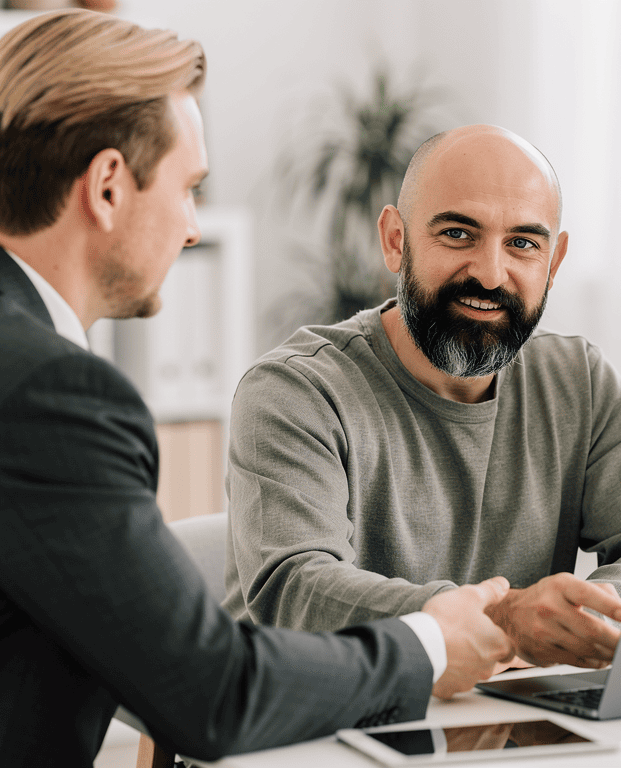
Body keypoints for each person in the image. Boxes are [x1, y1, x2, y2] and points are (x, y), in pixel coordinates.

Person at [0, 11, 514, 767]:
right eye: (189, 189)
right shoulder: (53, 396)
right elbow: (212, 694)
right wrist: (430, 643)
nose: (192, 228)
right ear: (108, 187)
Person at [224, 124, 621, 668]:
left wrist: (589, 614)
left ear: (554, 263)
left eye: (522, 243)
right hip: (315, 719)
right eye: (457, 234)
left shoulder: (577, 381)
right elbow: (295, 592)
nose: (491, 274)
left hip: (506, 722)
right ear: (395, 240)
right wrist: (503, 621)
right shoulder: (295, 391)